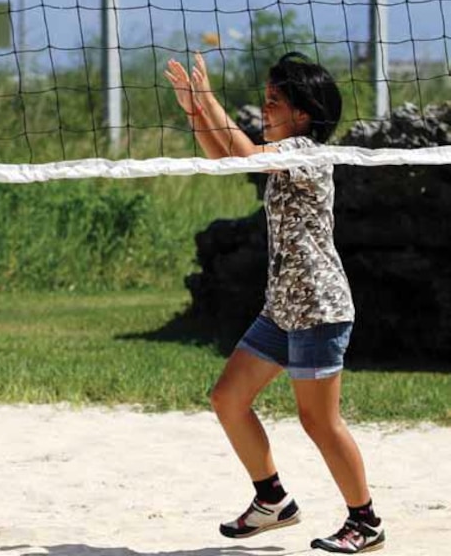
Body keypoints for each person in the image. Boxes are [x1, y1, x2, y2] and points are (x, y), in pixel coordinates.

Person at [164, 52, 385, 554]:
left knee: (318, 421)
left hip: (318, 308)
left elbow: (244, 155)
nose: (264, 109)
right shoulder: (280, 155)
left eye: (273, 101)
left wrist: (209, 100)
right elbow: (225, 156)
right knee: (227, 399)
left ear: (303, 114)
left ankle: (365, 520)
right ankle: (273, 500)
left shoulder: (307, 154)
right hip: (282, 307)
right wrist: (195, 111)